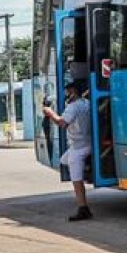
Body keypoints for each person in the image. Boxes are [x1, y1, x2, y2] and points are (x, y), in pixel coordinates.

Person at [42, 80, 93, 220]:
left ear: (73, 92)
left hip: (79, 147)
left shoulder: (73, 107)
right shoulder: (87, 103)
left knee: (75, 176)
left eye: (68, 91)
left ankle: (83, 208)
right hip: (88, 142)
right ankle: (87, 165)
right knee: (64, 160)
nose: (66, 95)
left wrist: (50, 113)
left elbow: (62, 123)